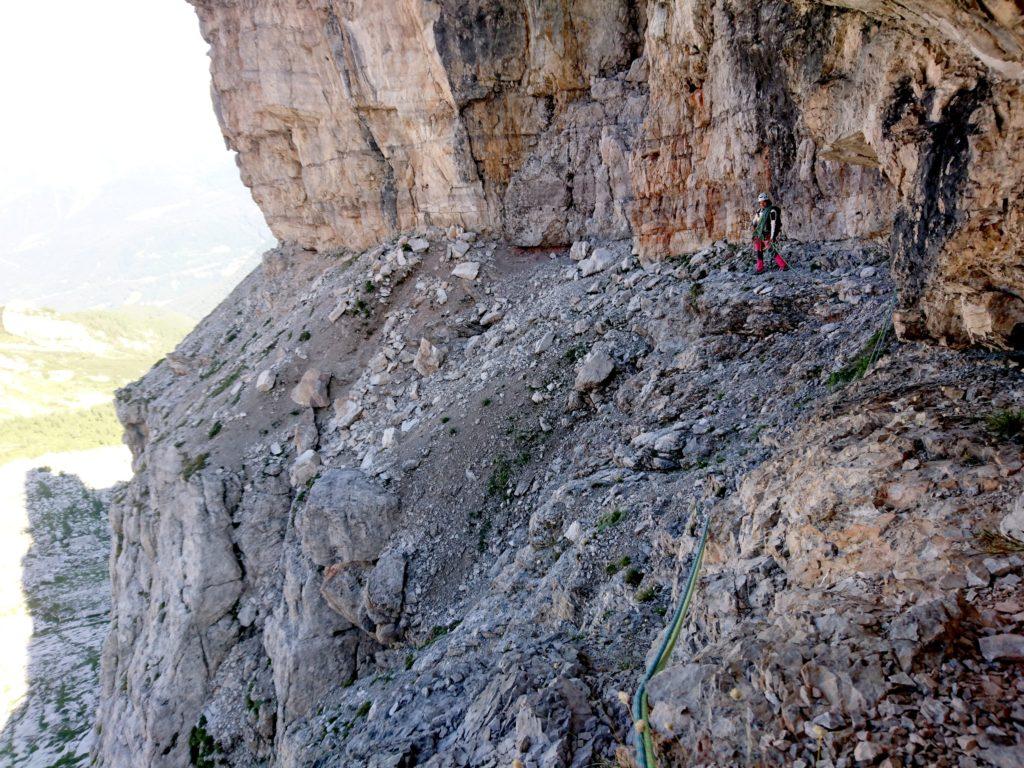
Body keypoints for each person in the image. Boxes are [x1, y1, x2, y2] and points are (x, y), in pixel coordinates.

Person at [751, 192, 788, 273]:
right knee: (759, 250)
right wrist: (754, 231)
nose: (762, 204)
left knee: (771, 250)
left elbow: (773, 224)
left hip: (767, 234)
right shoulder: (759, 211)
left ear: (767, 201)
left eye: (763, 202)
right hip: (759, 234)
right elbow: (754, 221)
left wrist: (772, 237)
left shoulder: (772, 211)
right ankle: (760, 268)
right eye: (760, 202)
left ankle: (783, 265)